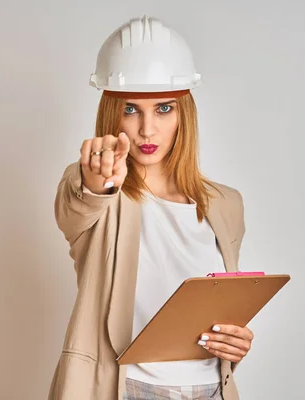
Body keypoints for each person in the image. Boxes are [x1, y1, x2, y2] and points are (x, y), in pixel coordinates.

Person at [48, 16, 253, 400]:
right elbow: (78, 205)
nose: (146, 129)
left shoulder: (225, 205)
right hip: (126, 390)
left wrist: (234, 344)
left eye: (163, 109)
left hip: (210, 389)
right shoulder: (101, 193)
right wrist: (98, 180)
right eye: (130, 109)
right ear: (111, 112)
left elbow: (217, 312)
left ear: (184, 115)